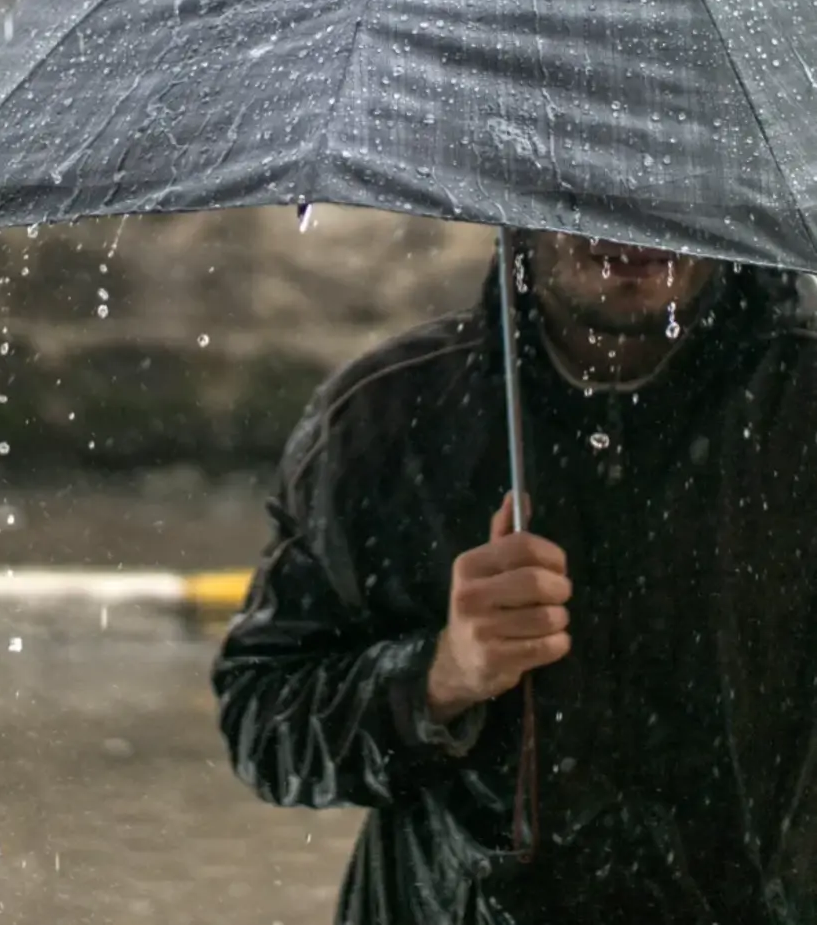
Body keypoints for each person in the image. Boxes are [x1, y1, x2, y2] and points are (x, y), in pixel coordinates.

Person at [211, 230, 817, 925]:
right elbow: (265, 719)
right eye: (589, 180)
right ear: (519, 204)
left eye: (659, 178)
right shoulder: (386, 421)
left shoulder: (801, 407)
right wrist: (440, 675)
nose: (632, 227)